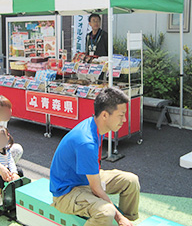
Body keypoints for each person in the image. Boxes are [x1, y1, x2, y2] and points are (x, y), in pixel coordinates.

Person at [50, 88, 140, 226]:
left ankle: (129, 222)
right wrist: (119, 217)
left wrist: (122, 218)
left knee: (131, 181)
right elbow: (96, 189)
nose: (124, 119)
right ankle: (122, 221)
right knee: (106, 211)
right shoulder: (86, 142)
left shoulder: (95, 125)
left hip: (84, 178)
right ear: (105, 115)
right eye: (121, 115)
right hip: (66, 193)